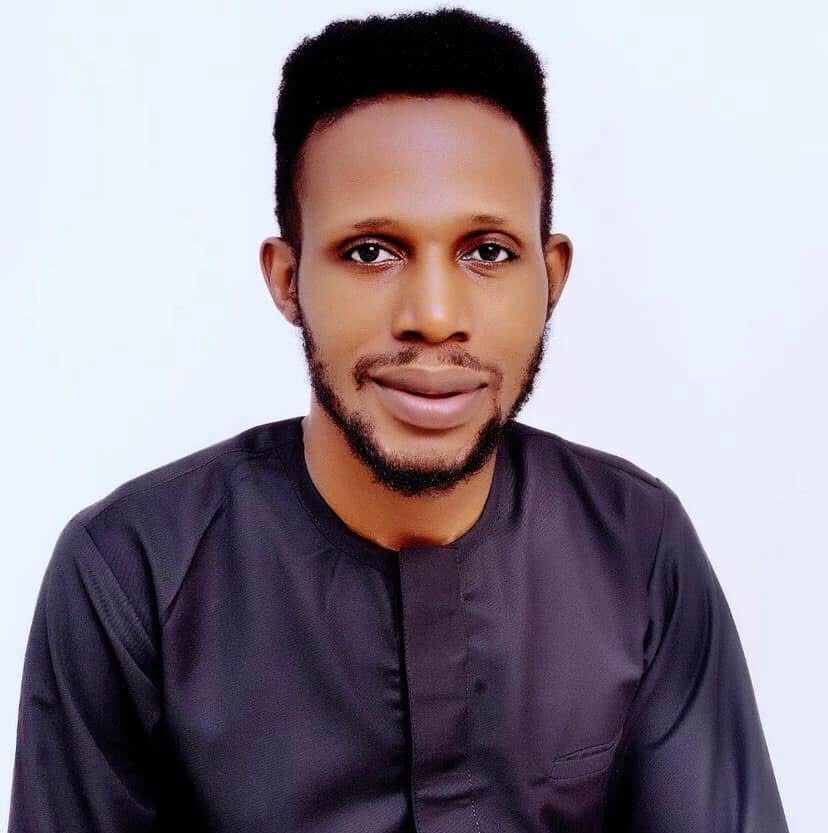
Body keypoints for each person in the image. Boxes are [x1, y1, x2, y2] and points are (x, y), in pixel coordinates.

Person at [7, 7, 789, 832]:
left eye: (488, 251)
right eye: (371, 251)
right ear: (287, 279)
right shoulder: (131, 576)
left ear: (551, 276)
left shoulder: (636, 548)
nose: (434, 316)